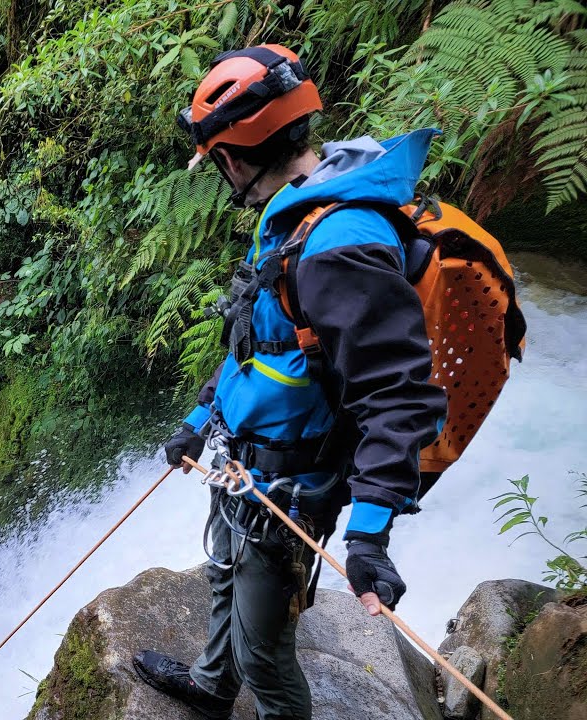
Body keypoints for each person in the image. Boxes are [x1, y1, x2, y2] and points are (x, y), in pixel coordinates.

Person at [131, 45, 449, 720]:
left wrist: (368, 537)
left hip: (293, 489)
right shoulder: (298, 215)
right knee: (225, 573)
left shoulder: (336, 244)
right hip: (253, 465)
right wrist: (200, 417)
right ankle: (213, 689)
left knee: (266, 658)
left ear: (230, 157)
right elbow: (260, 342)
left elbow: (398, 395)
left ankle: (242, 685)